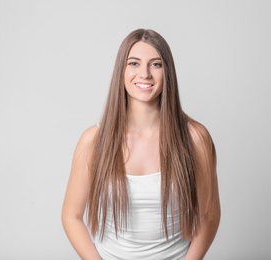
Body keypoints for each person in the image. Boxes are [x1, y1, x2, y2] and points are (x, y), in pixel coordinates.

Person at [62, 28, 220, 260]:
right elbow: (71, 216)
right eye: (134, 63)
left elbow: (209, 216)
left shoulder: (195, 138)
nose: (144, 73)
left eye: (156, 64)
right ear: (121, 71)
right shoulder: (94, 142)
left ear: (168, 73)